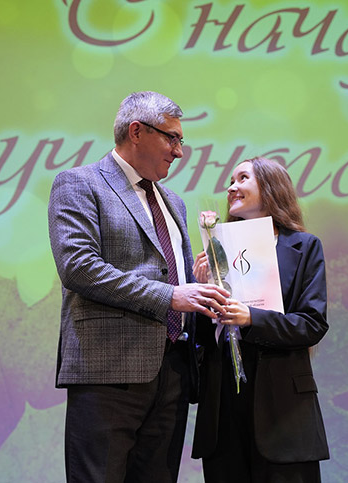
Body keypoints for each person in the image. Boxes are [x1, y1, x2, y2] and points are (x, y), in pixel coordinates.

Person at [48, 91, 230, 483]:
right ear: (136, 132)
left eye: (181, 140)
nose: (179, 151)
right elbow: (79, 268)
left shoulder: (174, 202)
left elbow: (173, 277)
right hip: (109, 371)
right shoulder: (80, 183)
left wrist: (201, 284)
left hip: (174, 371)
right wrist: (172, 296)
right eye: (172, 138)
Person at [191, 157, 330, 482]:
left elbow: (312, 324)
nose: (231, 187)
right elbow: (202, 340)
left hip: (284, 410)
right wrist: (202, 293)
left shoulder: (305, 246)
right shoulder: (216, 251)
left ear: (270, 187)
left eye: (242, 178)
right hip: (224, 407)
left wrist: (251, 317)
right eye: (230, 180)